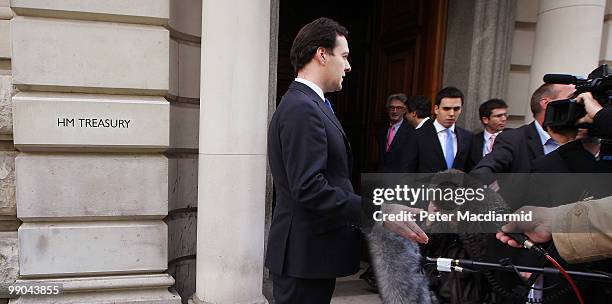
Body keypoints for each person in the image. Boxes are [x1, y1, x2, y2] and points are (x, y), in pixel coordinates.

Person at [265, 17, 361, 303]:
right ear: (322, 54)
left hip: (312, 256)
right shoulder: (301, 108)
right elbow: (309, 188)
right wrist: (374, 211)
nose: (348, 66)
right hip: (303, 258)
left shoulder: (311, 104)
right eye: (344, 56)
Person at [471, 83, 575, 175]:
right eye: (572, 98)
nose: (578, 103)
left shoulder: (582, 139)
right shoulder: (514, 140)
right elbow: (485, 170)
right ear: (546, 104)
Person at [401, 87, 474, 173]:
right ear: (436, 109)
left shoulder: (468, 137)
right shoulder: (416, 136)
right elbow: (406, 173)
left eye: (456, 109)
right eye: (446, 108)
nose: (451, 113)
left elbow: (470, 172)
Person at [377, 93, 415, 173]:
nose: (395, 111)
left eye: (399, 108)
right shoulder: (382, 130)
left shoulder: (411, 131)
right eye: (392, 108)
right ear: (387, 110)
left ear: (404, 110)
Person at [469, 99, 508, 167]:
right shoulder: (472, 141)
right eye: (499, 116)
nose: (504, 119)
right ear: (485, 120)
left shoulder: (514, 137)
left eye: (505, 115)